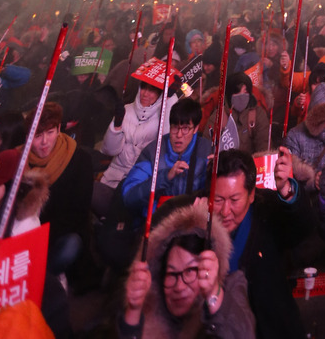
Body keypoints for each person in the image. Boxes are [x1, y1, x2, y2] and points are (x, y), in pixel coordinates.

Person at [210, 148, 312, 339]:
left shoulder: (267, 208)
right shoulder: (198, 215)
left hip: (269, 327)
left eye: (234, 200)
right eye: (218, 200)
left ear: (251, 195)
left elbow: (303, 228)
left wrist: (287, 191)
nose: (225, 211)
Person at [118, 197, 255, 339]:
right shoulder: (153, 309)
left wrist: (213, 293)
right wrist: (134, 310)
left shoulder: (233, 285)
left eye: (190, 271)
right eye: (171, 274)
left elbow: (242, 332)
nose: (179, 286)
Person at [24, 100, 94, 275]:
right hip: (24, 234)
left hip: (60, 233)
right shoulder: (20, 160)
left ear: (59, 130)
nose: (45, 142)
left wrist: (40, 237)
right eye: (37, 135)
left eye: (50, 132)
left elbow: (77, 212)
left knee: (70, 246)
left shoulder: (80, 159)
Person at [121, 97, 212, 222]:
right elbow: (129, 196)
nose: (179, 135)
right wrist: (165, 177)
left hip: (192, 223)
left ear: (195, 129)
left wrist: (213, 174)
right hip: (156, 222)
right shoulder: (154, 151)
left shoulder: (207, 151)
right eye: (175, 127)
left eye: (185, 128)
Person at [93, 80, 166, 217]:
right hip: (113, 177)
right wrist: (117, 125)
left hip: (139, 183)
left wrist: (171, 97)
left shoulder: (163, 118)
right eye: (144, 87)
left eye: (152, 90)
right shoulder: (125, 109)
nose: (145, 93)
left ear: (160, 94)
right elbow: (109, 150)